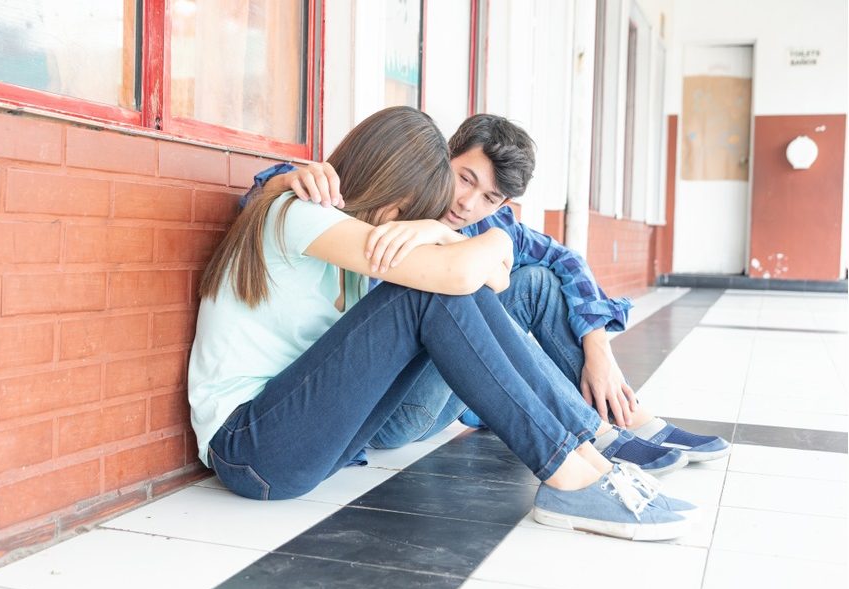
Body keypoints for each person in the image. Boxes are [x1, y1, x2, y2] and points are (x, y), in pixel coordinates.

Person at [190, 105, 695, 542]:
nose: (406, 219)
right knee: (427, 293)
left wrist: (445, 233)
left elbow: (489, 280)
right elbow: (461, 273)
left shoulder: (352, 231)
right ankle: (568, 473)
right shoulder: (302, 213)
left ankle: (587, 460)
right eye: (407, 204)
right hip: (250, 448)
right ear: (379, 179)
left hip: (312, 443)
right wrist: (487, 240)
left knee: (445, 289)